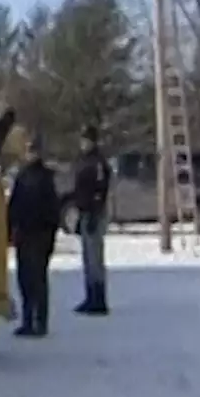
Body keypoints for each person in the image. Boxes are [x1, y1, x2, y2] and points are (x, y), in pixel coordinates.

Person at [7, 133, 61, 337]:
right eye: (29, 150)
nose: (31, 154)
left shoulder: (45, 178)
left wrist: (50, 234)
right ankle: (27, 319)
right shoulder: (22, 176)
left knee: (38, 279)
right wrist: (9, 228)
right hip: (24, 234)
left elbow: (52, 209)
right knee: (24, 279)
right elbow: (14, 205)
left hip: (40, 234)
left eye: (34, 150)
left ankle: (41, 321)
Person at [73, 124, 111, 315]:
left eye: (86, 140)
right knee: (87, 257)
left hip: (95, 212)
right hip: (85, 211)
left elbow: (100, 189)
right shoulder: (83, 161)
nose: (83, 143)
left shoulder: (97, 162)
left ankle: (99, 298)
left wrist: (95, 212)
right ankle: (89, 295)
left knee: (95, 256)